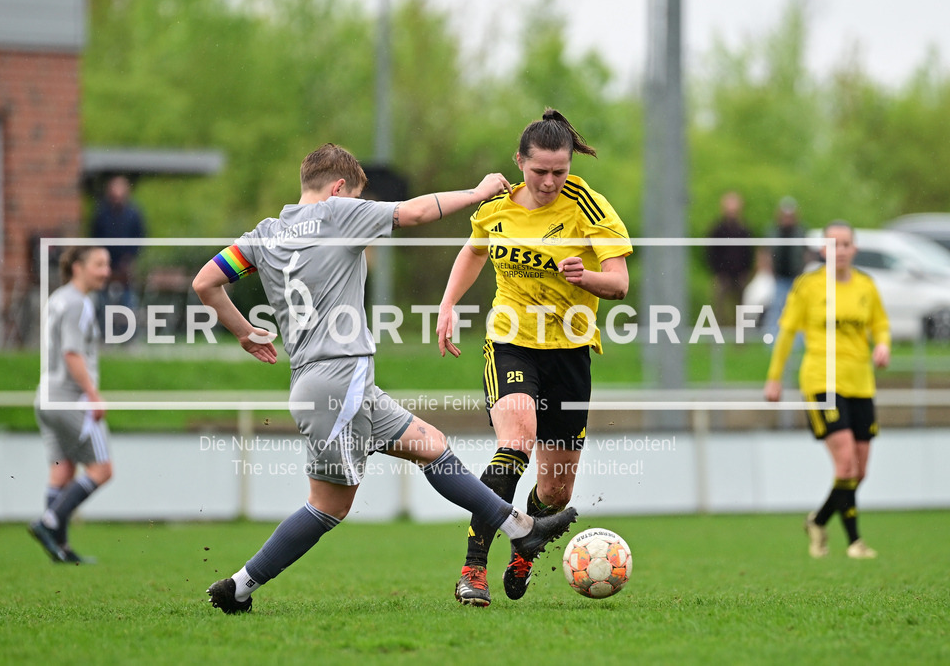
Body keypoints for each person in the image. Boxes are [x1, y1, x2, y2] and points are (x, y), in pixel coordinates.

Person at [193, 143, 578, 615]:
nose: (360, 206)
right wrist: (477, 193)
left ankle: (521, 529)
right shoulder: (337, 212)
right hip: (341, 380)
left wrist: (244, 331)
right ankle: (239, 586)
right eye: (357, 197)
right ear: (339, 188)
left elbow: (205, 282)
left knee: (431, 446)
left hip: (326, 382)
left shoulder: (265, 234)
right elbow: (414, 212)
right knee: (328, 507)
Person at [436, 109, 632, 607]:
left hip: (570, 351)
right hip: (511, 341)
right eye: (539, 170)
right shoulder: (497, 207)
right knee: (516, 441)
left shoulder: (588, 206)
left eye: (559, 171)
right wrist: (448, 303)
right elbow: (474, 251)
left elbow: (619, 283)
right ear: (519, 162)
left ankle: (524, 549)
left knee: (557, 492)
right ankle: (473, 569)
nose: (549, 182)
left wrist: (586, 277)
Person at [764, 220, 889, 560]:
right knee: (846, 463)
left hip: (860, 382)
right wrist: (774, 378)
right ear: (822, 250)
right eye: (833, 244)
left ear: (854, 248)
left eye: (845, 244)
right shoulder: (808, 286)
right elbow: (787, 332)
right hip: (822, 381)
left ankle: (818, 521)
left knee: (859, 470)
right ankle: (855, 542)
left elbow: (880, 324)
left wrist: (883, 345)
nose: (840, 251)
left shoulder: (866, 286)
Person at [28, 246, 114, 564]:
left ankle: (60, 548)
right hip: (69, 398)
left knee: (62, 471)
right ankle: (50, 521)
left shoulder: (57, 298)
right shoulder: (79, 302)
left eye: (107, 264)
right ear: (78, 267)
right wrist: (93, 393)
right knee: (102, 470)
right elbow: (72, 353)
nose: (106, 271)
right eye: (99, 264)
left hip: (46, 396)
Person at [90, 175, 146, 335]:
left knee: (128, 301)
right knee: (102, 300)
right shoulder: (102, 213)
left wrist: (130, 257)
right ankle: (104, 334)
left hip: (125, 266)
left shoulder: (133, 214)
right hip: (105, 264)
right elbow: (95, 238)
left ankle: (129, 335)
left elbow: (140, 237)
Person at [706, 191, 754, 327]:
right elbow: (711, 253)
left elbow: (748, 253)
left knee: (742, 306)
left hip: (740, 275)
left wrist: (745, 271)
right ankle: (718, 332)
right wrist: (718, 271)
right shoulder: (717, 229)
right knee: (718, 306)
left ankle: (739, 334)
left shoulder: (744, 229)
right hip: (722, 275)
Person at [763, 196, 807, 338]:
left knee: (796, 308)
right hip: (779, 277)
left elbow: (805, 254)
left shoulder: (800, 232)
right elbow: (766, 252)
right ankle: (773, 337)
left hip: (795, 277)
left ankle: (797, 340)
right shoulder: (774, 231)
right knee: (776, 308)